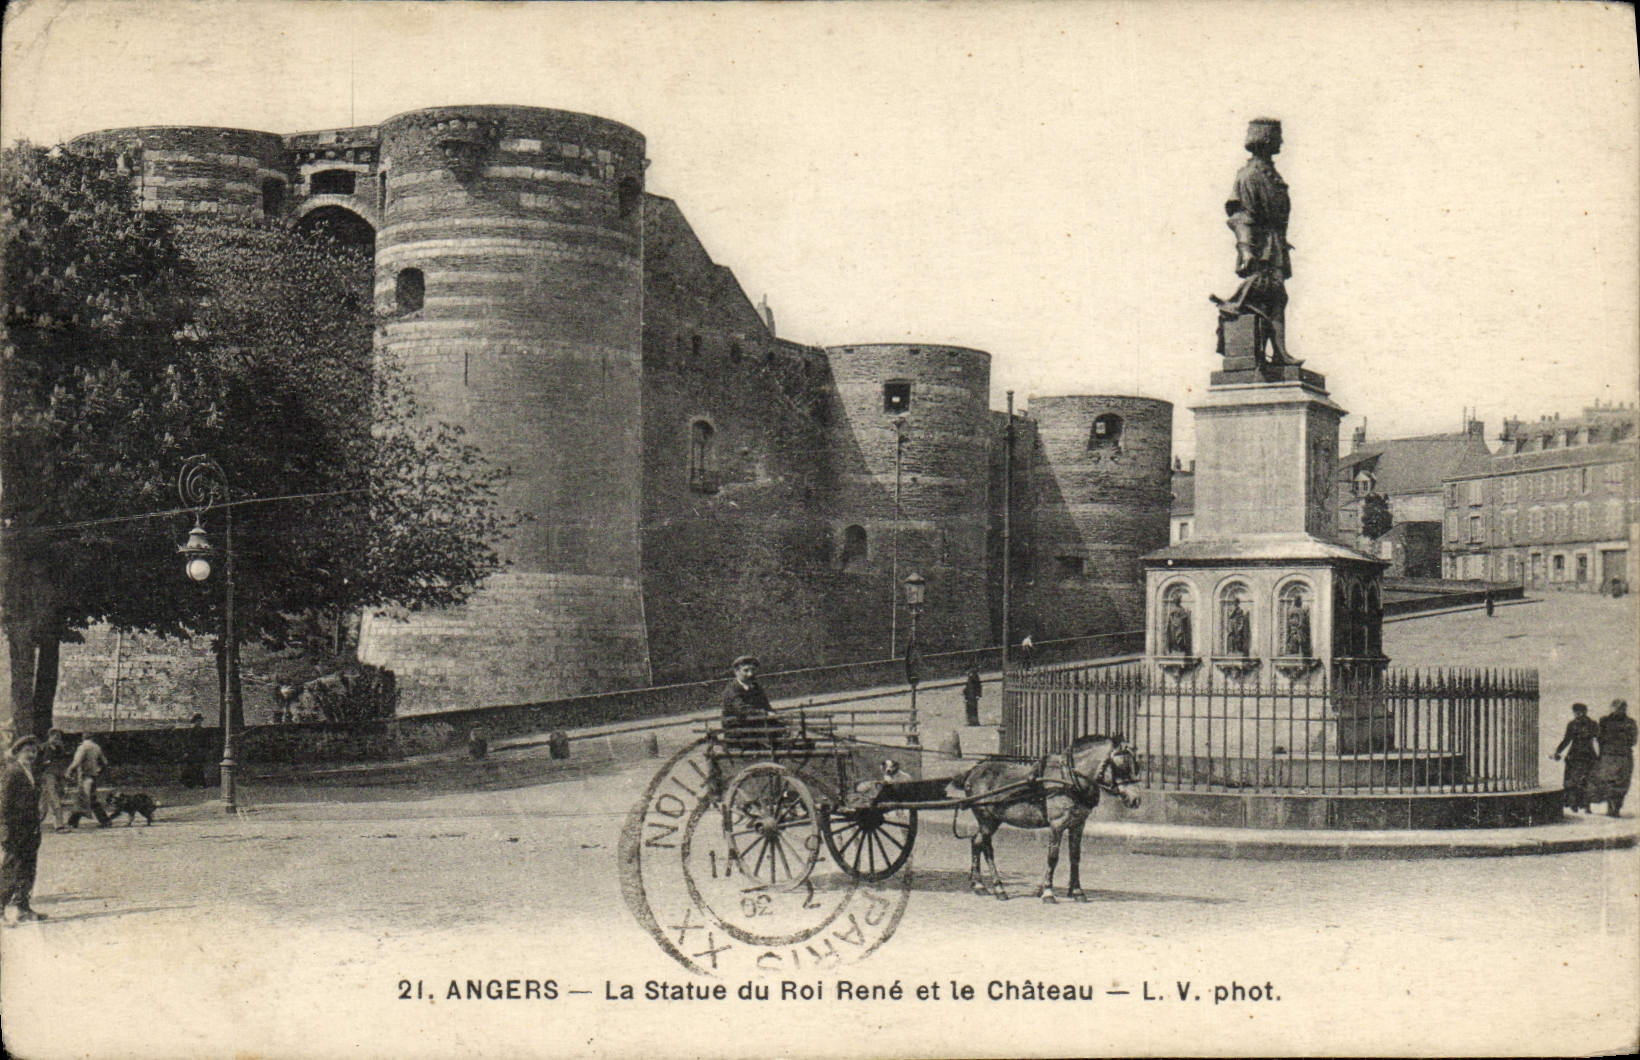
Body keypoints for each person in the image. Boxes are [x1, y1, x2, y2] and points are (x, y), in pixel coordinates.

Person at [1214, 117, 1300, 369]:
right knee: (1271, 294)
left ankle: (1277, 351)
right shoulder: (1249, 176)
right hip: (1261, 248)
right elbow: (1241, 217)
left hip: (1274, 245)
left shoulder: (1270, 175)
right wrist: (1246, 250)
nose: (1281, 141)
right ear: (1265, 139)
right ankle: (1277, 352)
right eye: (1277, 136)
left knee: (1275, 297)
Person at [2, 736, 47, 923]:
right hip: (15, 829)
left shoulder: (32, 772)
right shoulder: (12, 772)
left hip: (31, 829)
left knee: (28, 869)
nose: (31, 755)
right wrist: (4, 829)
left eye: (34, 751)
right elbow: (3, 803)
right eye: (27, 751)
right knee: (11, 869)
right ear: (18, 752)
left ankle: (22, 908)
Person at [720, 655, 782, 749]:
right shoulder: (732, 690)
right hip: (740, 733)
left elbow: (766, 705)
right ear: (736, 672)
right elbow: (743, 711)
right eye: (746, 670)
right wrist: (765, 714)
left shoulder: (756, 687)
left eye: (753, 670)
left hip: (755, 727)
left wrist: (774, 714)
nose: (750, 674)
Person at [1550, 703, 1599, 813]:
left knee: (1581, 781)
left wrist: (1558, 751)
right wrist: (1558, 751)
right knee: (1578, 781)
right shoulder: (1579, 724)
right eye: (1576, 712)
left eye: (1579, 712)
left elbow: (1599, 739)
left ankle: (1582, 806)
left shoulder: (1587, 724)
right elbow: (1567, 740)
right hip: (1580, 755)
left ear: (1585, 712)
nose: (1577, 714)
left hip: (1582, 756)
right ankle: (1578, 805)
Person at [1592, 699, 1636, 817]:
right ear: (1611, 708)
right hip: (1610, 756)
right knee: (1609, 783)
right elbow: (1599, 738)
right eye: (1618, 708)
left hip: (1622, 756)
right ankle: (1611, 808)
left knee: (1621, 784)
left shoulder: (1630, 722)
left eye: (1623, 708)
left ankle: (1615, 808)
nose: (1621, 710)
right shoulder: (1604, 721)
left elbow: (1633, 740)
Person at [65, 732, 112, 829]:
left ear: (83, 737)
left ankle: (72, 822)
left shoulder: (83, 747)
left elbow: (76, 762)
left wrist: (69, 771)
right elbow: (105, 762)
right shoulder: (97, 747)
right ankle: (104, 820)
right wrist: (99, 771)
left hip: (84, 776)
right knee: (89, 799)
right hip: (93, 776)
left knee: (83, 798)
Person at [36, 728, 70, 833]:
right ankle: (59, 825)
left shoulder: (60, 748)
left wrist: (64, 776)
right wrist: (44, 765)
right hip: (47, 776)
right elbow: (36, 763)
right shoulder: (42, 748)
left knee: (44, 803)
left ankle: (33, 825)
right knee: (54, 799)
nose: (57, 739)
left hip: (57, 776)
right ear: (50, 736)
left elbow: (63, 762)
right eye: (56, 736)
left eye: (59, 737)